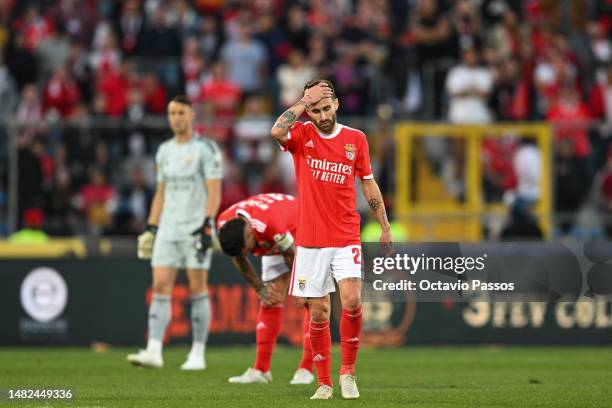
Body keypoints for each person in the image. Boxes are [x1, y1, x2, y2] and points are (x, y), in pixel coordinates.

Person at [270, 79, 393, 400]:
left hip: (345, 235)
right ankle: (323, 382)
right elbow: (276, 132)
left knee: (352, 300)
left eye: (326, 108)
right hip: (311, 239)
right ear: (308, 111)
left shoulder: (356, 139)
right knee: (320, 312)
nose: (322, 115)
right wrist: (300, 103)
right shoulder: (301, 135)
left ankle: (347, 374)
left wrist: (384, 225)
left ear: (336, 104)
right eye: (315, 110)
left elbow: (368, 184)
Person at [127, 96, 223, 370]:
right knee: (159, 286)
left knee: (197, 288)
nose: (176, 117)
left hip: (195, 228)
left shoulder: (206, 149)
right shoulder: (164, 151)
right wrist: (151, 227)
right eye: (171, 113)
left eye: (181, 112)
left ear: (192, 115)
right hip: (168, 228)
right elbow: (160, 193)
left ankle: (198, 353)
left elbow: (214, 190)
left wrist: (208, 224)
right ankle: (154, 350)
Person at [217, 193, 313, 385]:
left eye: (247, 249)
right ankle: (261, 370)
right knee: (270, 298)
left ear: (250, 234)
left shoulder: (272, 226)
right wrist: (259, 288)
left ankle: (306, 369)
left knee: (312, 299)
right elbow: (239, 258)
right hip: (275, 242)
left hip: (303, 228)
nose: (247, 254)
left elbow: (294, 256)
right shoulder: (224, 224)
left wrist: (301, 288)